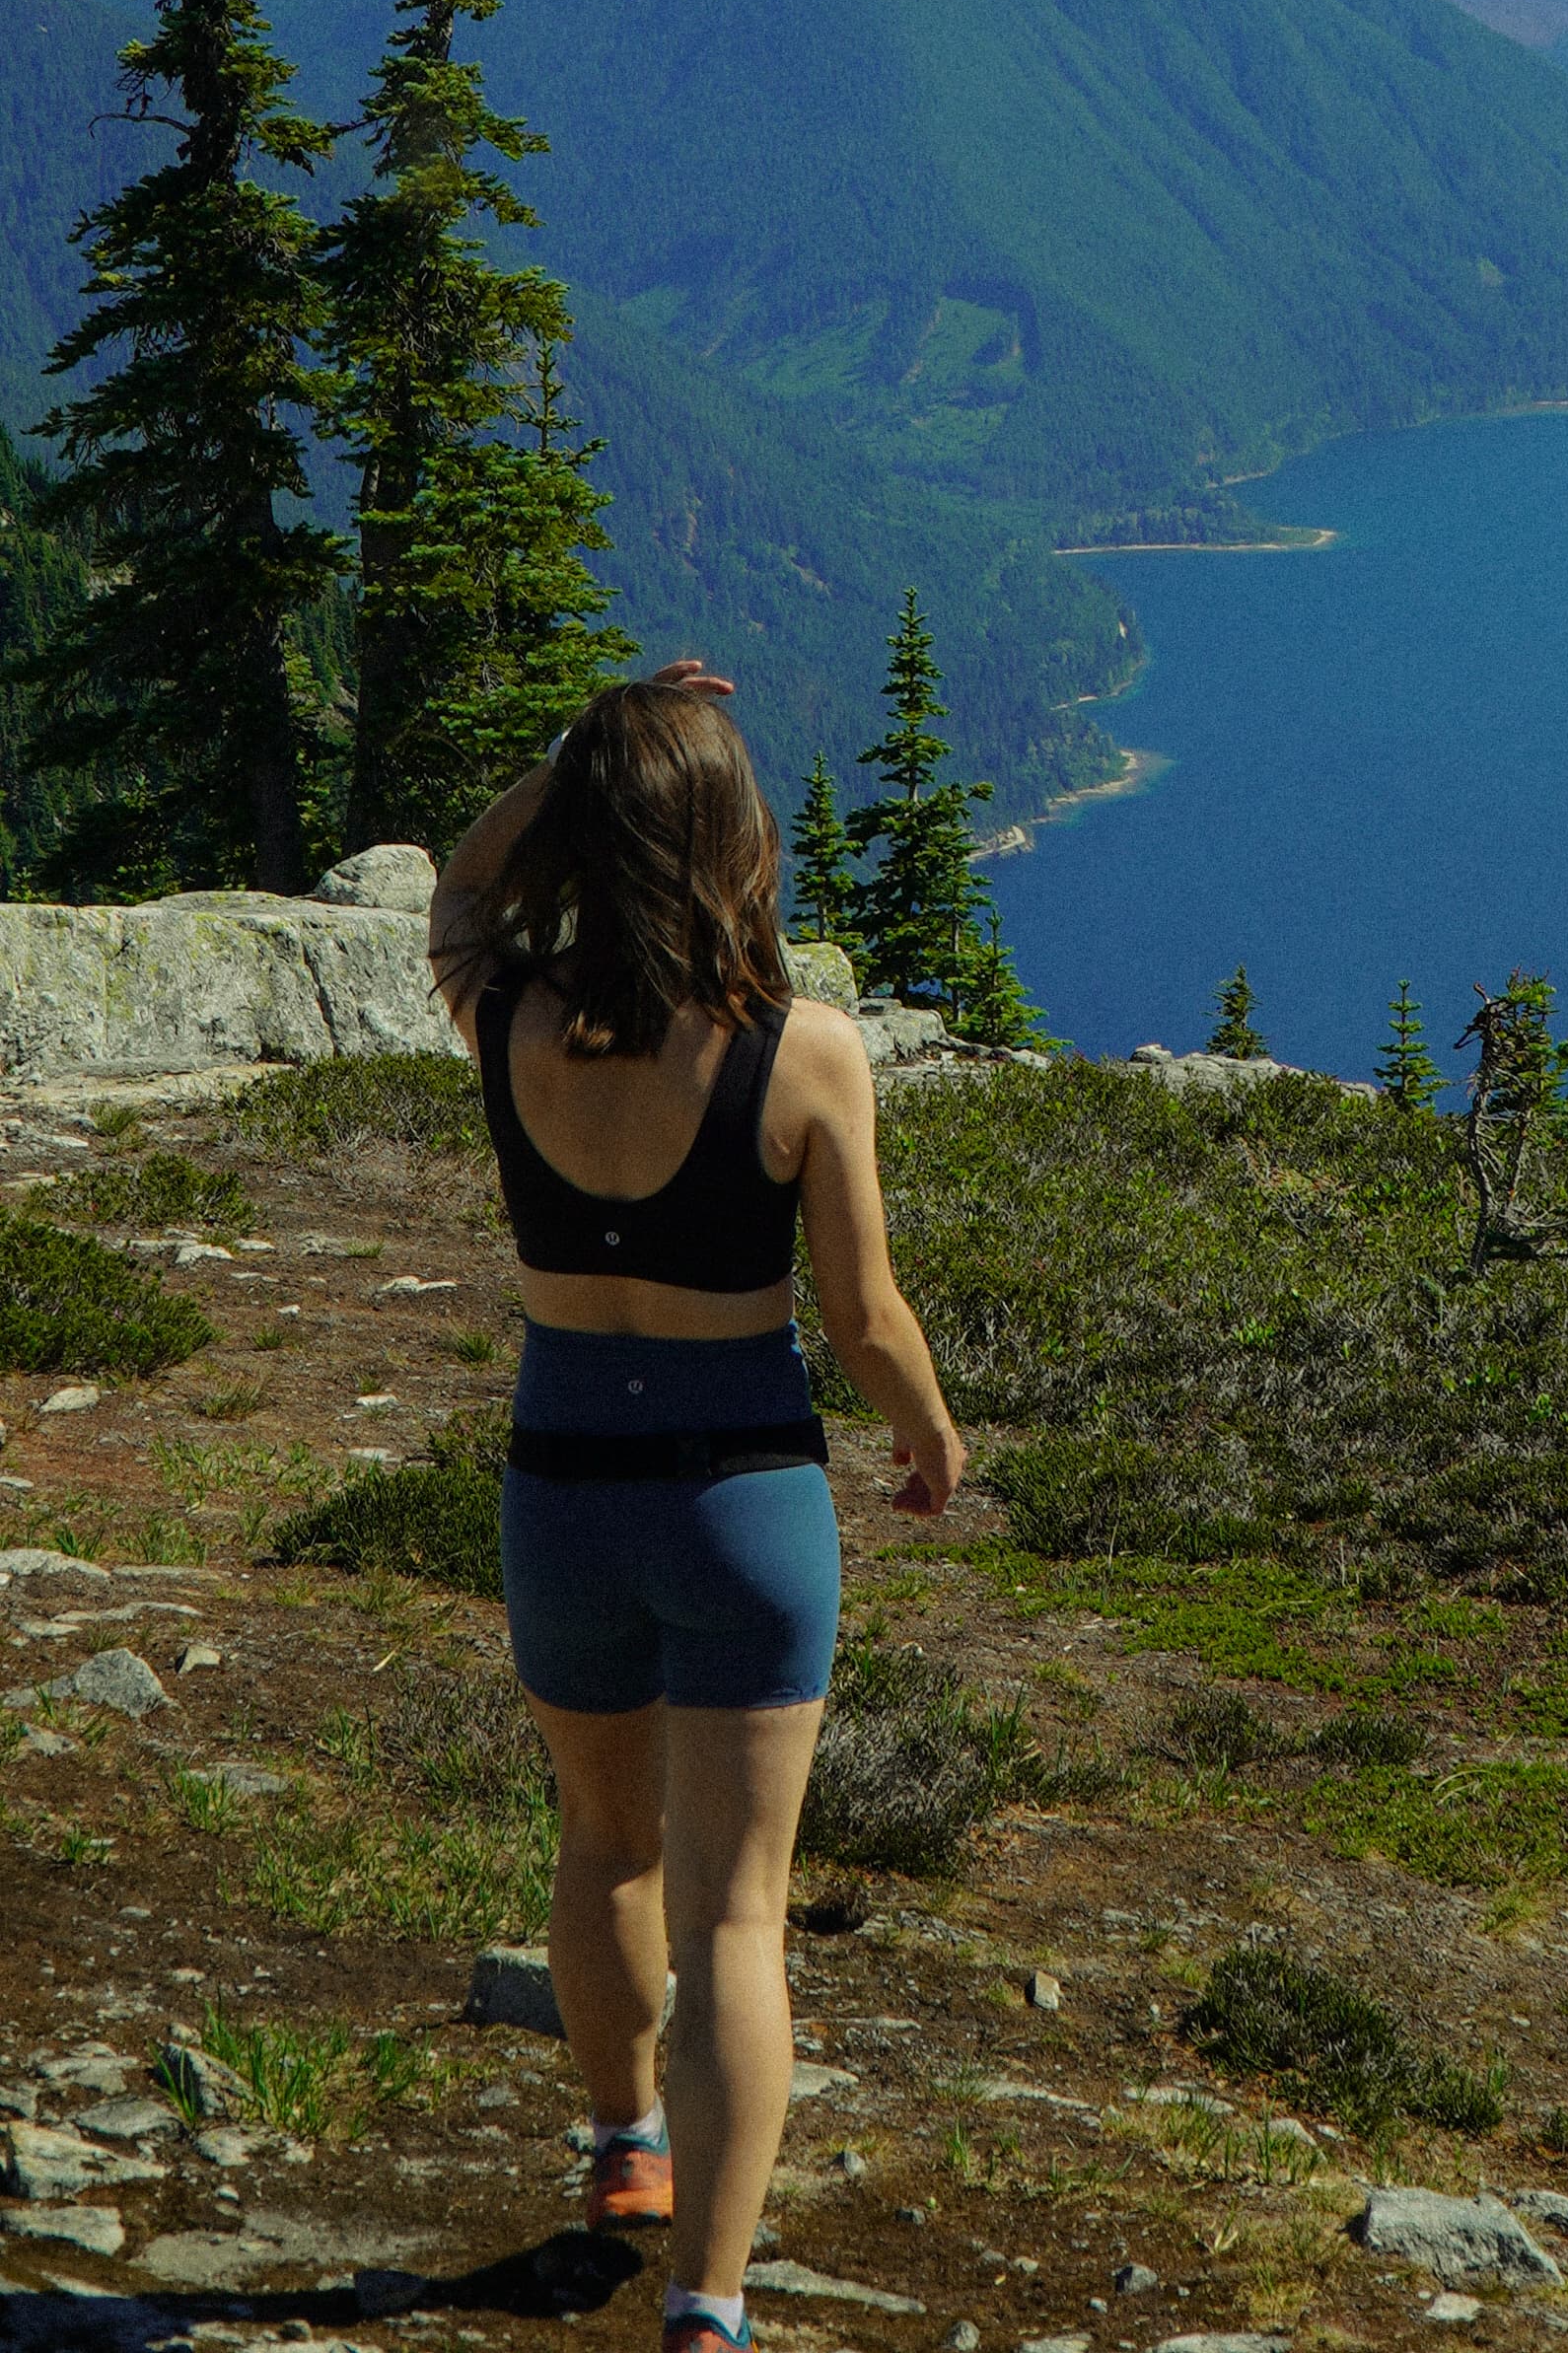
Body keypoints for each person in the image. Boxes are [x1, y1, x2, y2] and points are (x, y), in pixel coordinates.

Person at [429, 661, 966, 2353]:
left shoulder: (512, 1016)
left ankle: (620, 2150)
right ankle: (710, 2309)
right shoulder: (804, 1052)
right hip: (744, 1499)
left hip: (561, 1489)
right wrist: (930, 1437)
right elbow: (866, 1316)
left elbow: (453, 891)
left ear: (592, 839)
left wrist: (572, 750)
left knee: (603, 1846)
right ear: (739, 842)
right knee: (740, 1911)